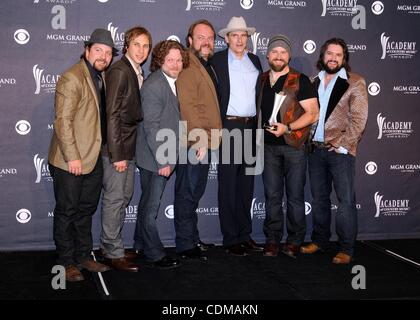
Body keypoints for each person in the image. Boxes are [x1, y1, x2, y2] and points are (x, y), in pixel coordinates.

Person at [48, 28, 116, 282]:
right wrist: (72, 156)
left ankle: (82, 255)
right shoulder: (72, 77)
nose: (103, 56)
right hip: (71, 159)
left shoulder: (101, 76)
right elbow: (63, 121)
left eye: (108, 53)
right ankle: (66, 262)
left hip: (94, 155)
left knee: (86, 209)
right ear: (87, 50)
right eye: (98, 50)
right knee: (67, 210)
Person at [300, 38, 368, 264]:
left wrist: (342, 145)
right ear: (322, 56)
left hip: (339, 153)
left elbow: (359, 119)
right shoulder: (312, 81)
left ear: (344, 59)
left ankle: (346, 248)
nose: (333, 58)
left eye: (338, 55)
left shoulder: (355, 82)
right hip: (315, 151)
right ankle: (320, 240)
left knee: (345, 201)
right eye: (330, 53)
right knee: (319, 199)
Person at [258, 35, 319, 258]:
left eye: (283, 52)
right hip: (268, 147)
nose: (279, 56)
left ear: (289, 56)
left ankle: (294, 240)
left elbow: (313, 114)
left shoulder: (300, 80)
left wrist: (289, 127)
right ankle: (272, 240)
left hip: (294, 146)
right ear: (268, 55)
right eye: (274, 52)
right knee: (272, 195)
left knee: (294, 196)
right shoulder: (262, 79)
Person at [100, 26, 152, 272]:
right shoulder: (120, 71)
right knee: (115, 199)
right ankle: (112, 251)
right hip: (117, 148)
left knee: (124, 196)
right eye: (137, 45)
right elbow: (112, 115)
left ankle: (113, 246)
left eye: (146, 46)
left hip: (128, 147)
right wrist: (117, 154)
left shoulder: (136, 71)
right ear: (127, 46)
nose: (142, 50)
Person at [134, 40, 189, 269]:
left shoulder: (174, 82)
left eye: (178, 60)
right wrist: (164, 159)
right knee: (151, 208)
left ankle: (140, 244)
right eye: (170, 60)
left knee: (147, 203)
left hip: (161, 153)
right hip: (155, 157)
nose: (175, 64)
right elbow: (152, 127)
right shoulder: (155, 85)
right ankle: (154, 253)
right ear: (160, 61)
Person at [211, 16, 263, 256]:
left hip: (251, 128)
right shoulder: (217, 61)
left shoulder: (255, 60)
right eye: (235, 35)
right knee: (229, 185)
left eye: (243, 35)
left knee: (246, 185)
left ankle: (245, 233)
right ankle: (231, 238)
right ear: (226, 38)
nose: (240, 39)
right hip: (229, 128)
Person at [174, 19, 222, 260]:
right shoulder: (187, 64)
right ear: (190, 40)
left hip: (203, 140)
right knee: (187, 192)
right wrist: (200, 140)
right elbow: (188, 106)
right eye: (201, 37)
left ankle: (191, 237)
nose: (206, 41)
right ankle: (185, 243)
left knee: (194, 192)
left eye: (210, 37)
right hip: (193, 142)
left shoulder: (205, 64)